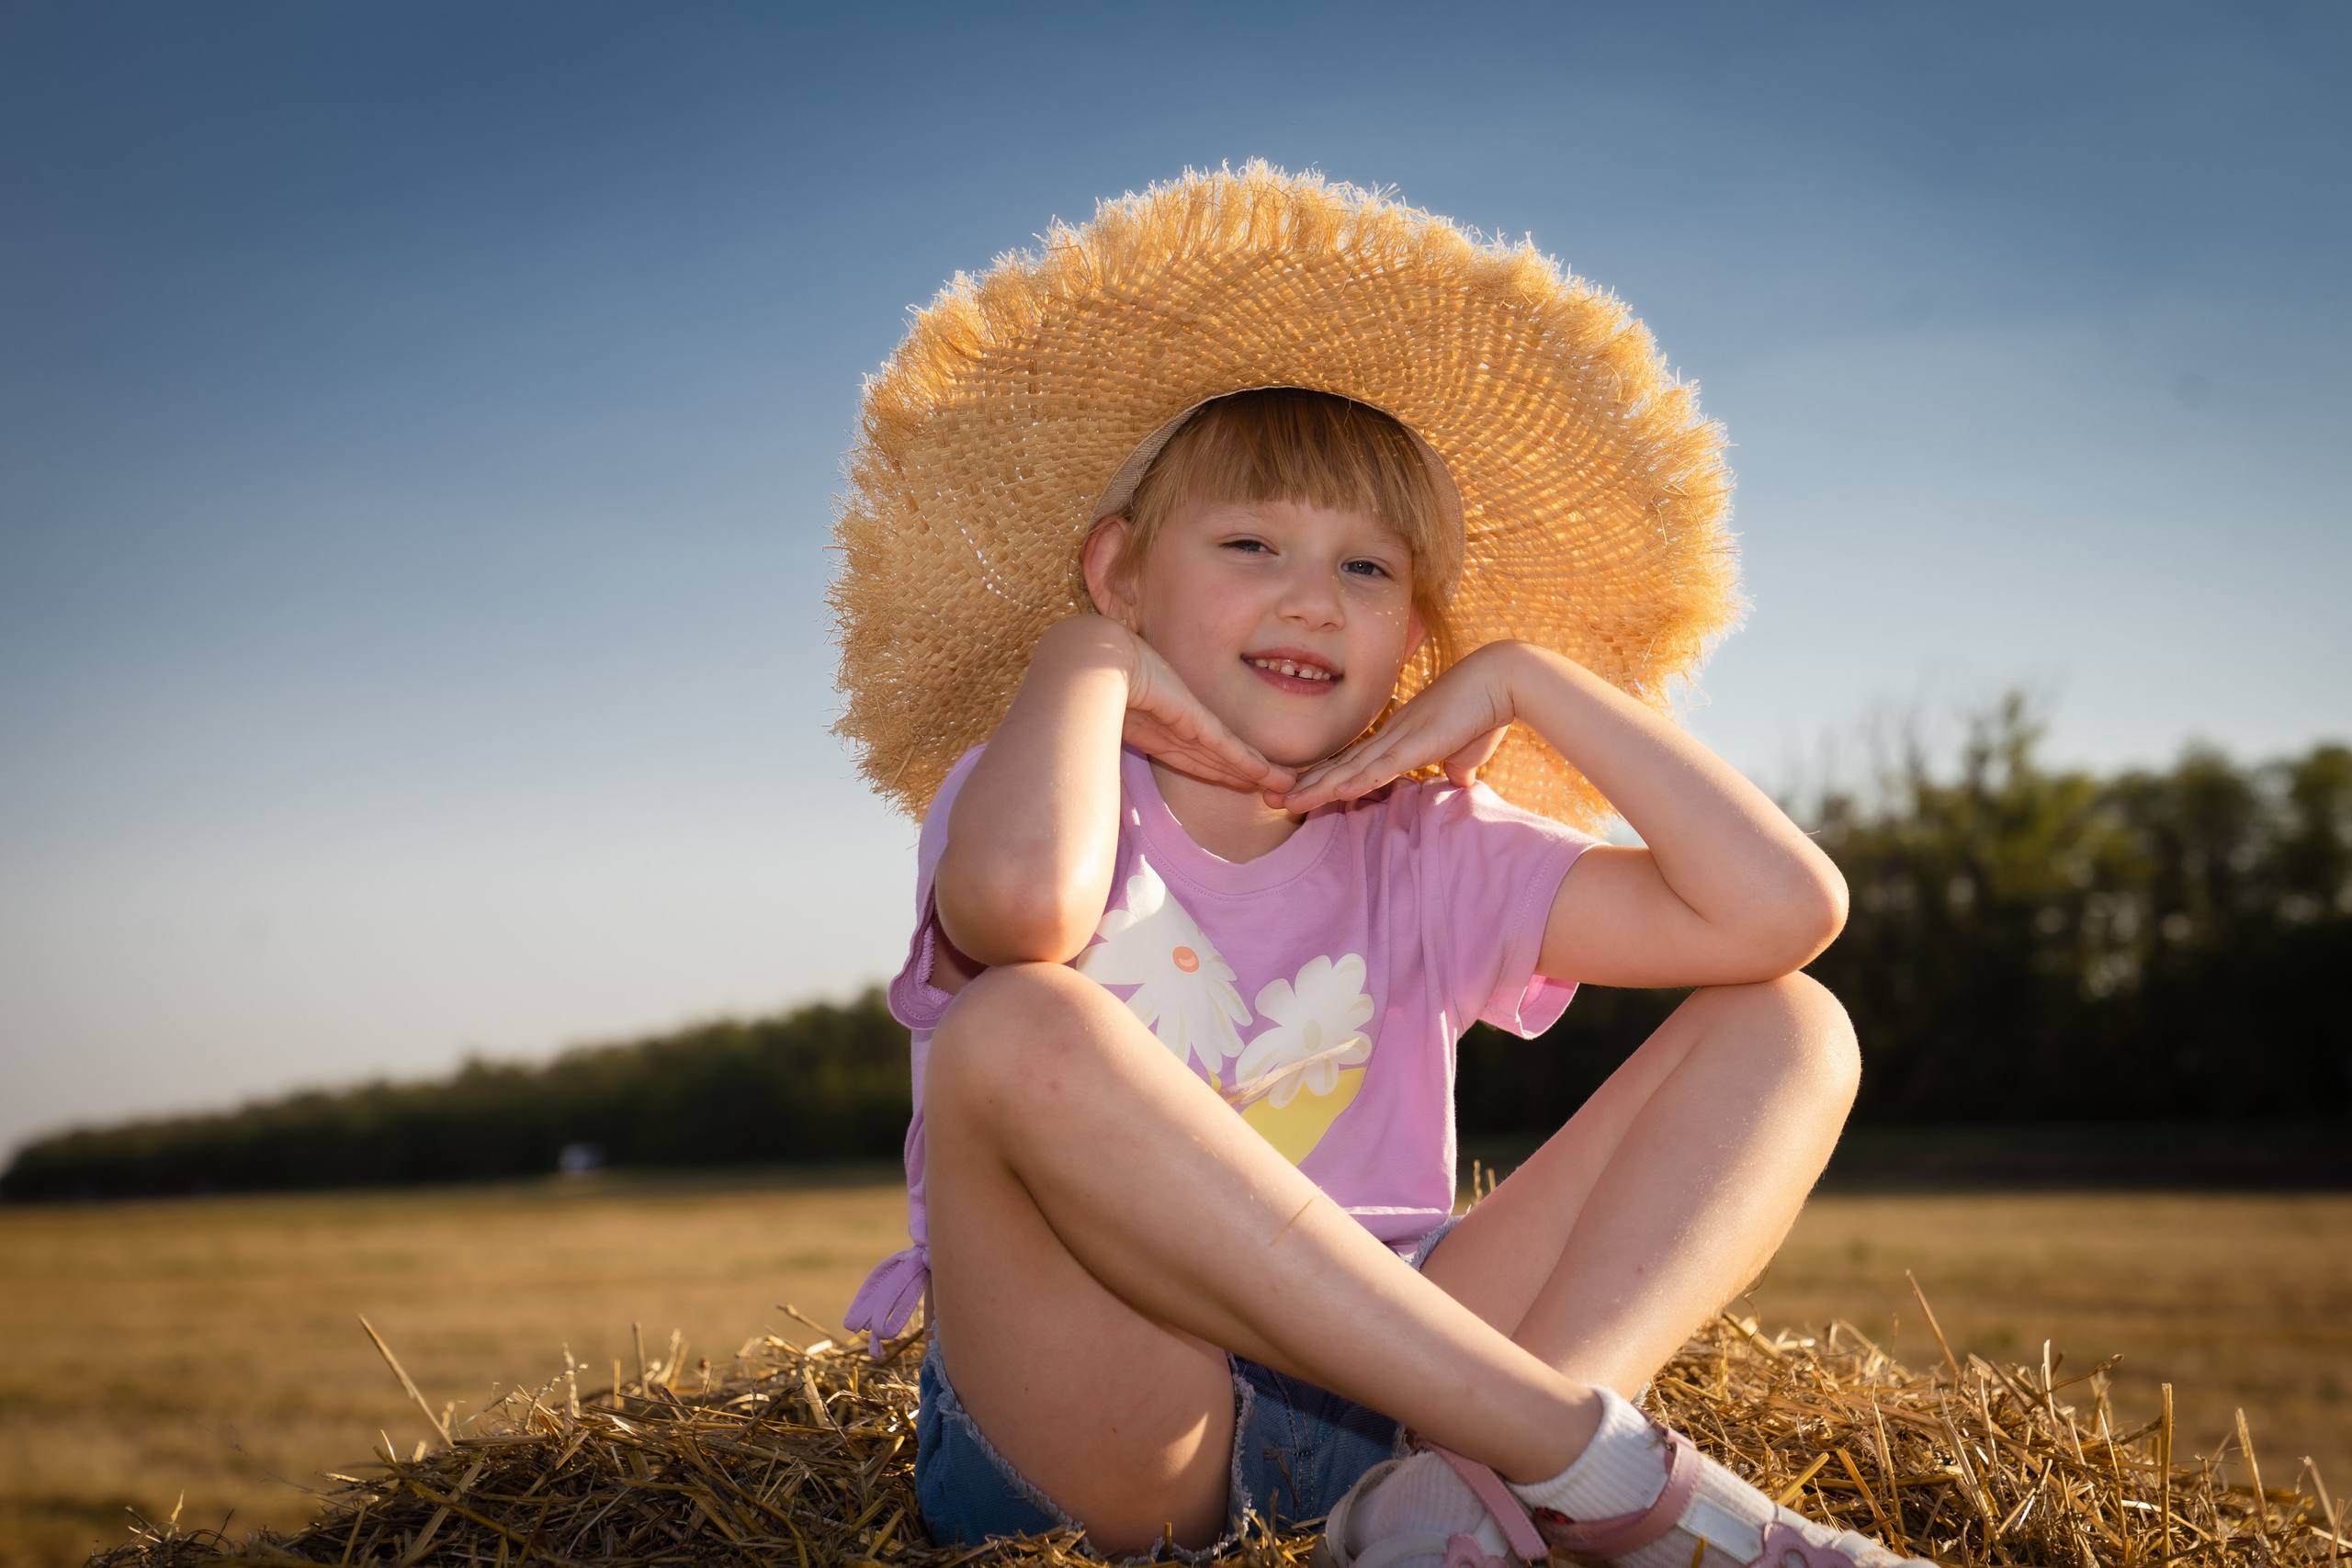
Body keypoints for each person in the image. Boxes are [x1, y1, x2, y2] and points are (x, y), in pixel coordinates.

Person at [832, 165, 1926, 1568]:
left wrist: (1531, 679)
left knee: (1789, 1021)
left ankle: (1486, 1482)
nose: (1310, 595)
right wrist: (1083, 663)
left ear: (1415, 636)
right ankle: (1582, 1466)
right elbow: (1020, 918)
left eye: (1369, 570)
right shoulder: (1048, 785)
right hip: (1108, 1404)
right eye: (1250, 543)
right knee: (1017, 1022)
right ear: (1120, 574)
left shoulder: (1427, 847)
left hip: (1405, 1408)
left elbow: (1786, 913)